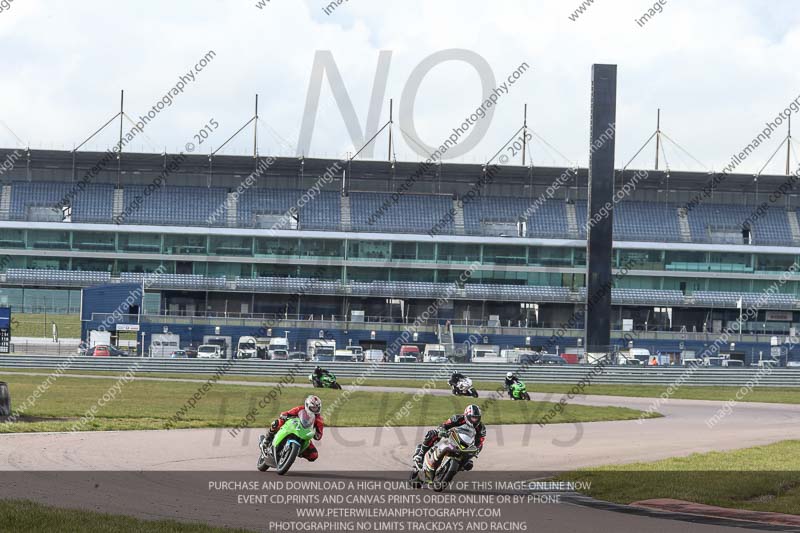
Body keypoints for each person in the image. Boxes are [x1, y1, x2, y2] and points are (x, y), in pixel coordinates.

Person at [413, 404, 485, 471]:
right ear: (467, 415)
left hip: (465, 445)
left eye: (477, 418)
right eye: (473, 417)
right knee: (432, 433)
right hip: (451, 438)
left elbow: (480, 441)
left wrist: (477, 449)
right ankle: (420, 455)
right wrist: (442, 430)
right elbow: (444, 425)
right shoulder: (458, 418)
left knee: (469, 464)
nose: (475, 420)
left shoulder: (481, 428)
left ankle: (455, 468)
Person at [264, 395, 323, 461]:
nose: (315, 410)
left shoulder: (319, 419)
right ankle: (267, 439)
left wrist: (317, 435)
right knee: (277, 423)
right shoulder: (300, 409)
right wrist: (284, 415)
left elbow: (319, 433)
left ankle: (296, 452)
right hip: (293, 427)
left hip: (304, 434)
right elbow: (287, 413)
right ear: (307, 405)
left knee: (314, 455)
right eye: (313, 408)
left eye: (316, 408)